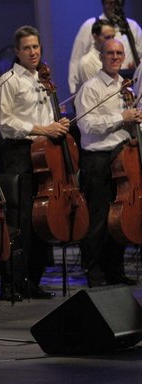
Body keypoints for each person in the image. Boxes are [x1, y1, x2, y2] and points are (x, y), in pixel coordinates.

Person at [0, 26, 70, 300]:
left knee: (40, 220)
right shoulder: (8, 80)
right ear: (17, 51)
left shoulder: (44, 79)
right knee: (20, 221)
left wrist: (56, 124)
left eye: (36, 47)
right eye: (27, 48)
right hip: (20, 156)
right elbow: (5, 124)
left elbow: (47, 117)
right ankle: (11, 282)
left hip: (44, 155)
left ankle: (32, 280)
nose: (33, 52)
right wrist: (42, 129)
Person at [74, 39, 142, 287]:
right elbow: (87, 125)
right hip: (98, 160)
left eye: (119, 53)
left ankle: (115, 270)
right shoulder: (90, 88)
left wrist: (135, 121)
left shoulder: (126, 89)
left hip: (124, 158)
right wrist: (120, 117)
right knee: (99, 219)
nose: (115, 57)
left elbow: (128, 123)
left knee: (120, 218)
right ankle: (95, 272)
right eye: (110, 53)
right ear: (101, 57)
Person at [68, 0, 142, 94]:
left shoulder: (132, 26)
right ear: (103, 4)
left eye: (117, 3)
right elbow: (76, 60)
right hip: (96, 76)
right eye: (109, 3)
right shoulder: (90, 25)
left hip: (128, 80)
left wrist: (137, 64)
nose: (113, 7)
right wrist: (73, 90)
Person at [74, 19, 115, 93]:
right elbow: (95, 94)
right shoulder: (87, 62)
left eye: (113, 37)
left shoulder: (114, 58)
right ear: (95, 37)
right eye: (107, 37)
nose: (112, 41)